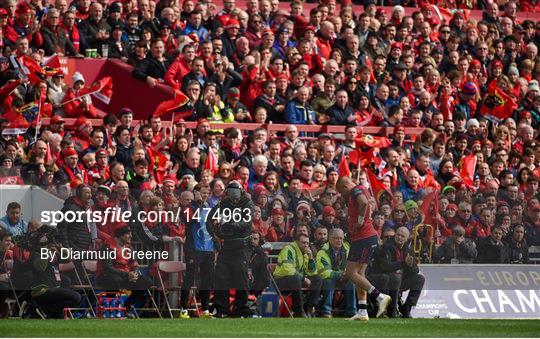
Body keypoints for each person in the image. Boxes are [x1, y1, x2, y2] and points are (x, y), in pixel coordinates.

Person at [336, 176, 391, 321]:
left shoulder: (355, 190)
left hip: (363, 238)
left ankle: (380, 297)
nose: (342, 195)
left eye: (341, 192)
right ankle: (362, 311)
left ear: (345, 186)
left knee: (351, 272)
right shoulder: (361, 189)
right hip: (366, 238)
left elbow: (364, 203)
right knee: (360, 274)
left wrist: (360, 221)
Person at [207, 181, 254, 318]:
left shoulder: (247, 204)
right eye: (231, 192)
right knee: (221, 278)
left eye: (236, 192)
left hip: (241, 247)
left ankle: (241, 309)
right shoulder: (222, 205)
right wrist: (214, 234)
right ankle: (221, 310)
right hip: (226, 247)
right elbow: (209, 220)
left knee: (241, 279)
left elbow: (246, 223)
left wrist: (229, 225)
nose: (234, 196)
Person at [96, 223, 153, 311]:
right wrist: (127, 274)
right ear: (120, 235)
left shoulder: (129, 247)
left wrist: (134, 273)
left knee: (146, 282)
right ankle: (111, 308)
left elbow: (134, 264)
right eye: (128, 234)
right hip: (106, 276)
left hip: (126, 276)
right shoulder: (108, 246)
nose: (131, 236)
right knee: (116, 280)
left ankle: (128, 305)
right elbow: (108, 268)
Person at [29, 226, 82, 319]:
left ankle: (48, 310)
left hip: (54, 288)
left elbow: (71, 258)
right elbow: (41, 267)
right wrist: (44, 247)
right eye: (51, 239)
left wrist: (60, 247)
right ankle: (45, 309)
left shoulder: (53, 251)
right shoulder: (35, 253)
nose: (53, 241)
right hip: (42, 291)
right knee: (76, 297)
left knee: (76, 299)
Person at [372, 227, 425, 318]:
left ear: (407, 238)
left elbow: (415, 270)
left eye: (402, 236)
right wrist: (404, 263)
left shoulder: (408, 249)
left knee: (420, 278)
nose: (399, 237)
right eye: (398, 235)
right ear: (395, 234)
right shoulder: (386, 246)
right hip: (385, 280)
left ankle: (406, 309)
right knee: (395, 277)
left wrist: (410, 265)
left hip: (401, 280)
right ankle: (391, 310)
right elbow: (385, 267)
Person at [273, 233, 322, 317]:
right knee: (295, 278)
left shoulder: (305, 253)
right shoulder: (288, 249)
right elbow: (287, 269)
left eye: (307, 243)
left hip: (296, 281)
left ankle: (309, 308)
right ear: (296, 242)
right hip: (280, 281)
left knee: (317, 279)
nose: (306, 245)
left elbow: (312, 273)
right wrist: (303, 278)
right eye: (303, 243)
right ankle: (298, 311)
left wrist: (310, 258)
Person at [316, 228, 356, 318]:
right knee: (329, 281)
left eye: (341, 238)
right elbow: (324, 272)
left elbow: (353, 265)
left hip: (344, 278)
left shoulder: (347, 249)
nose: (339, 240)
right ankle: (326, 311)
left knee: (352, 282)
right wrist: (340, 274)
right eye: (336, 238)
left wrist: (347, 273)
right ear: (330, 239)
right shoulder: (322, 252)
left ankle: (352, 311)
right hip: (329, 278)